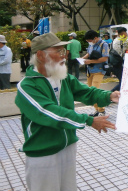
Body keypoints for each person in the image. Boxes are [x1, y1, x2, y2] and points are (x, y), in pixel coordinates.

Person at [14, 32, 120, 191]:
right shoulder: (27, 86)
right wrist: (88, 120)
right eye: (58, 52)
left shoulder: (62, 77)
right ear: (41, 56)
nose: (64, 56)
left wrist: (110, 96)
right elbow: (49, 112)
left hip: (68, 146)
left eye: (64, 51)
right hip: (43, 152)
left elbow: (87, 92)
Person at [82, 30, 110, 117]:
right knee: (91, 91)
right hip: (90, 71)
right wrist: (82, 59)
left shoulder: (104, 44)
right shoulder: (91, 44)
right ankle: (97, 110)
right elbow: (88, 53)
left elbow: (105, 58)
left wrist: (90, 61)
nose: (89, 42)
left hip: (99, 70)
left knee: (95, 90)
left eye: (90, 41)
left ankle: (102, 110)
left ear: (95, 38)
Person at [111, 27, 128, 92]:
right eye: (126, 33)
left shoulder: (116, 40)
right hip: (119, 64)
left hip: (116, 63)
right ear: (123, 33)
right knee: (124, 82)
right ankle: (110, 93)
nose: (127, 34)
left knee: (123, 81)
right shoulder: (121, 40)